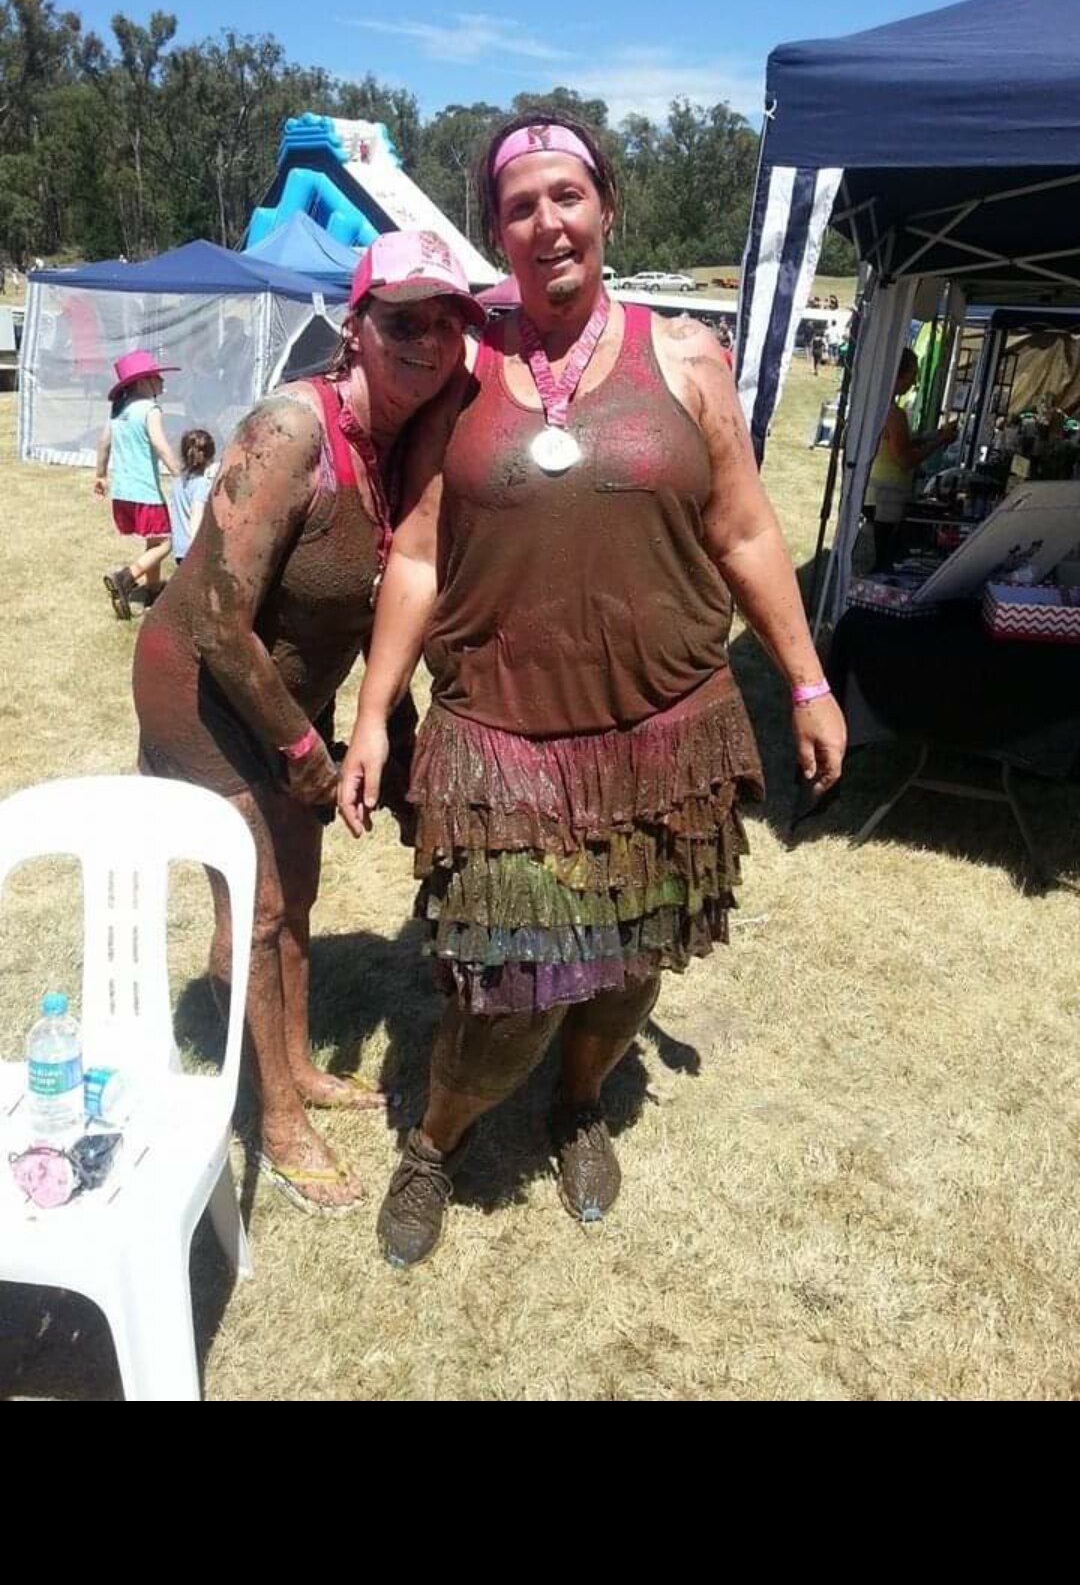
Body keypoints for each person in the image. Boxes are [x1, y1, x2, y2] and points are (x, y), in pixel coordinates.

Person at [341, 114, 847, 1268]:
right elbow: (416, 553)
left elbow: (745, 530)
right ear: (497, 233)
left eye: (566, 196)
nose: (548, 223)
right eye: (521, 207)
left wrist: (809, 682)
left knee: (629, 971)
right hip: (504, 739)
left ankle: (578, 1107)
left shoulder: (686, 358)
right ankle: (435, 1141)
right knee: (511, 989)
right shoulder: (467, 366)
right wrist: (372, 716)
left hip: (668, 736)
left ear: (607, 207)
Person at [132, 230, 483, 1212]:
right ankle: (276, 1117)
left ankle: (295, 1064)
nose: (428, 340)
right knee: (257, 906)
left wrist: (388, 740)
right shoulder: (291, 432)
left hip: (290, 699)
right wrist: (299, 750)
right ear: (356, 326)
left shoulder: (402, 446)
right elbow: (214, 616)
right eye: (403, 321)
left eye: (447, 322)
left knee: (300, 890)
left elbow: (378, 614)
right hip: (203, 695)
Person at [96, 350, 182, 619]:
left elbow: (103, 444)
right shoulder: (150, 409)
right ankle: (126, 578)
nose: (162, 381)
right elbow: (160, 444)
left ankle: (153, 592)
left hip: (123, 492)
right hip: (146, 492)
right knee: (166, 543)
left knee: (153, 539)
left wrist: (100, 475)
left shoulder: (118, 412)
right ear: (143, 382)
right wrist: (179, 472)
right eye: (157, 376)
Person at [865, 346, 959, 571]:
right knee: (883, 562)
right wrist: (939, 442)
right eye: (913, 375)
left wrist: (934, 435)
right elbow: (904, 459)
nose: (914, 382)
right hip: (886, 497)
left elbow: (900, 442)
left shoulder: (877, 405)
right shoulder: (894, 414)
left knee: (878, 558)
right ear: (900, 375)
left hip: (875, 493)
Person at [168, 427, 217, 566]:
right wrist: (197, 548)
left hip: (179, 548)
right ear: (210, 456)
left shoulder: (177, 481)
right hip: (192, 549)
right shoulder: (202, 484)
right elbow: (196, 515)